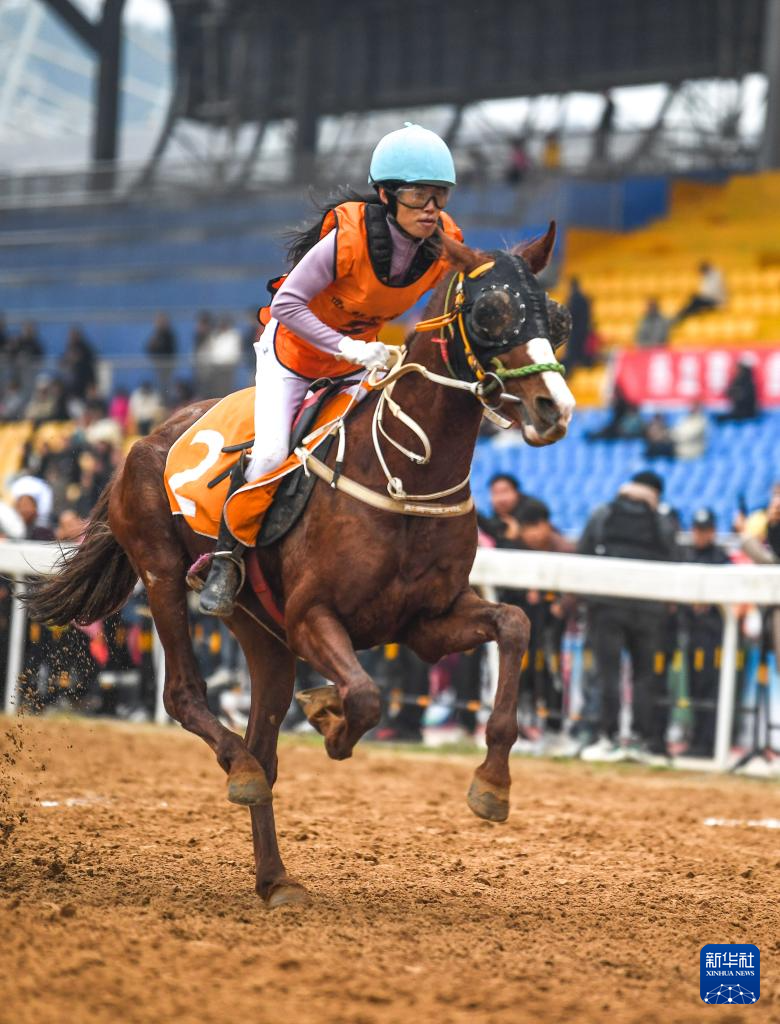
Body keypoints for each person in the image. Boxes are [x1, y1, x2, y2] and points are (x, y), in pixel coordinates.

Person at [199, 123, 464, 616]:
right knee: (272, 453)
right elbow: (287, 304)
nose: (431, 208)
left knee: (376, 446)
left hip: (358, 358)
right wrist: (347, 346)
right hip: (293, 355)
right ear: (386, 196)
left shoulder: (445, 243)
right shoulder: (347, 239)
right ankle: (225, 559)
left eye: (440, 195)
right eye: (418, 196)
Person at [577, 470, 678, 761]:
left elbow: (583, 554)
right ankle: (640, 740)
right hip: (648, 610)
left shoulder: (604, 513)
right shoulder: (662, 520)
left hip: (606, 606)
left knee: (607, 674)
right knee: (644, 677)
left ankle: (607, 737)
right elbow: (674, 560)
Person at [678, 508, 730, 758]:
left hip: (713, 636)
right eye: (698, 530)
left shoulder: (721, 558)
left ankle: (709, 742)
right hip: (691, 632)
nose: (700, 534)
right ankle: (696, 738)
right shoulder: (685, 556)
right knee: (694, 689)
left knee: (712, 688)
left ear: (713, 531)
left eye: (705, 530)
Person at [477, 473, 528, 548]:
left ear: (517, 493)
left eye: (505, 491)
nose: (501, 498)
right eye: (495, 493)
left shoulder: (532, 512)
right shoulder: (496, 518)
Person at [716, 357, 759, 422]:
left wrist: (735, 393)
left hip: (746, 413)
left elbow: (743, 397)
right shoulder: (737, 380)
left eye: (739, 368)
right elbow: (729, 393)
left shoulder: (748, 382)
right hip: (737, 411)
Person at [145, 313, 177, 398]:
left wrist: (158, 344)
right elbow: (149, 349)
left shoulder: (169, 335)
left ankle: (167, 400)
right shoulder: (156, 335)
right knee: (159, 387)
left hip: (167, 366)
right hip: (158, 366)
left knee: (167, 386)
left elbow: (169, 349)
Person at [563, 277, 591, 373]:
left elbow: (569, 315)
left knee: (573, 355)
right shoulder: (584, 298)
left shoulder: (573, 299)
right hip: (583, 331)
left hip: (575, 332)